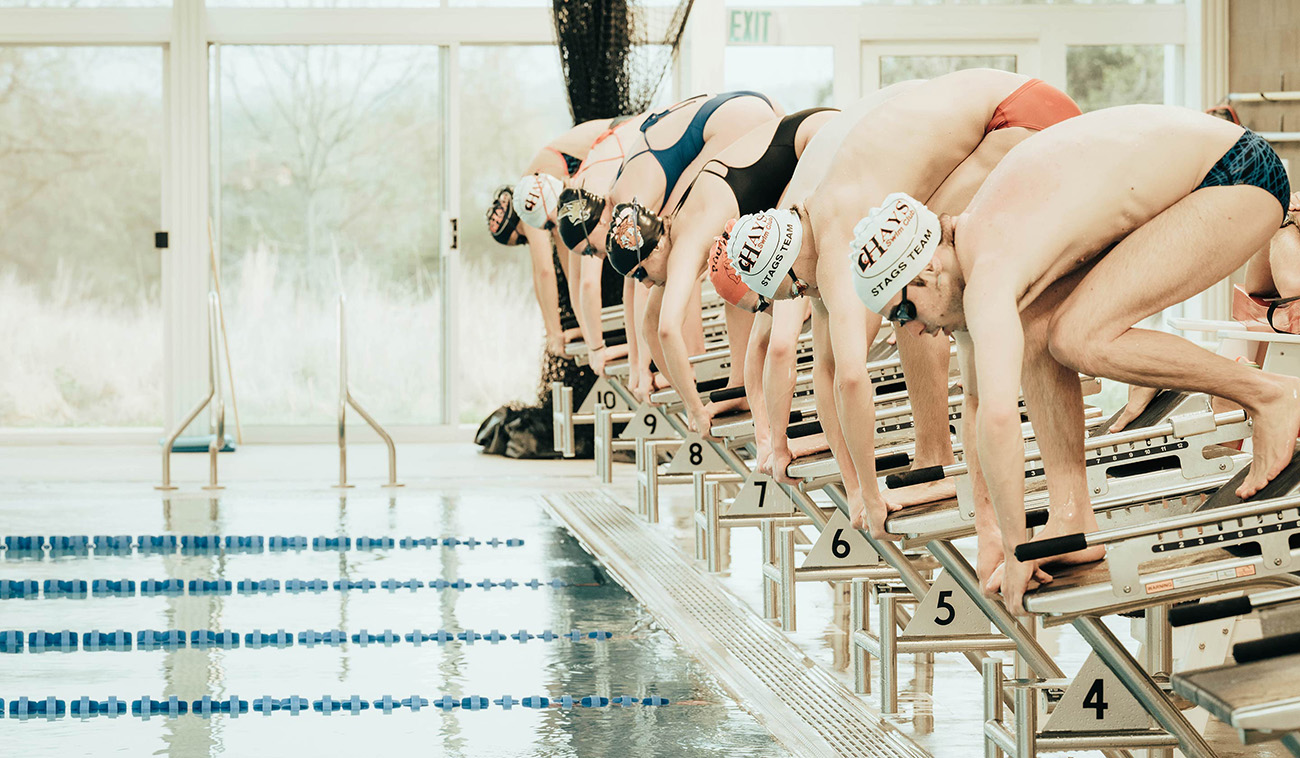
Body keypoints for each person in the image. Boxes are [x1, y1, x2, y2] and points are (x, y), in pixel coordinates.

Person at [853, 104, 1298, 612]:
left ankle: (1270, 395)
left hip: (1236, 175)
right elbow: (976, 406)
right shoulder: (979, 255)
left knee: (1080, 337)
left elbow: (1000, 420)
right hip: (1204, 176)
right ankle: (1073, 518)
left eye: (903, 310)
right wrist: (991, 531)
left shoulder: (991, 267)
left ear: (926, 269)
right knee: (1041, 329)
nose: (913, 328)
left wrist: (1021, 548)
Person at [726, 70, 1081, 579]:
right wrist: (856, 491)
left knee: (929, 288)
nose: (802, 300)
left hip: (1020, 115)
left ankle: (979, 506)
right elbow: (825, 375)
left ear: (787, 268)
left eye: (793, 292)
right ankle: (975, 506)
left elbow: (852, 377)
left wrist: (870, 492)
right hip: (1001, 108)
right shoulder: (814, 228)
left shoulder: (833, 238)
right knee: (909, 289)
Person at [606, 108, 839, 437]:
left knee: (781, 325)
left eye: (640, 273)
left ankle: (777, 428)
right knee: (738, 281)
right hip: (804, 140)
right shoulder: (674, 237)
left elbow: (669, 329)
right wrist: (688, 394)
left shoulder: (686, 242)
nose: (644, 283)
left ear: (655, 249)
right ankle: (743, 387)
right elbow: (650, 325)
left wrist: (694, 410)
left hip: (814, 141)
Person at [572, 91, 783, 401]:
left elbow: (661, 279)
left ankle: (734, 379)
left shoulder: (632, 195)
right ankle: (739, 381)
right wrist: (638, 364)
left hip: (734, 123)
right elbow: (639, 284)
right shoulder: (623, 195)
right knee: (715, 250)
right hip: (754, 110)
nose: (600, 255)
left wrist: (670, 367)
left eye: (592, 250)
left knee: (705, 252)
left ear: (599, 220)